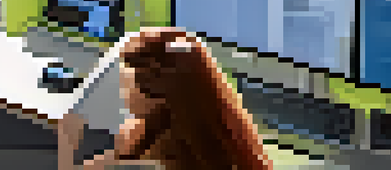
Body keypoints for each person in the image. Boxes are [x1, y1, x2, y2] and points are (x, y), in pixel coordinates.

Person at [57, 28, 271, 169]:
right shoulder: (227, 130)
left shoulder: (157, 158)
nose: (122, 92)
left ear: (157, 96)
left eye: (126, 85)